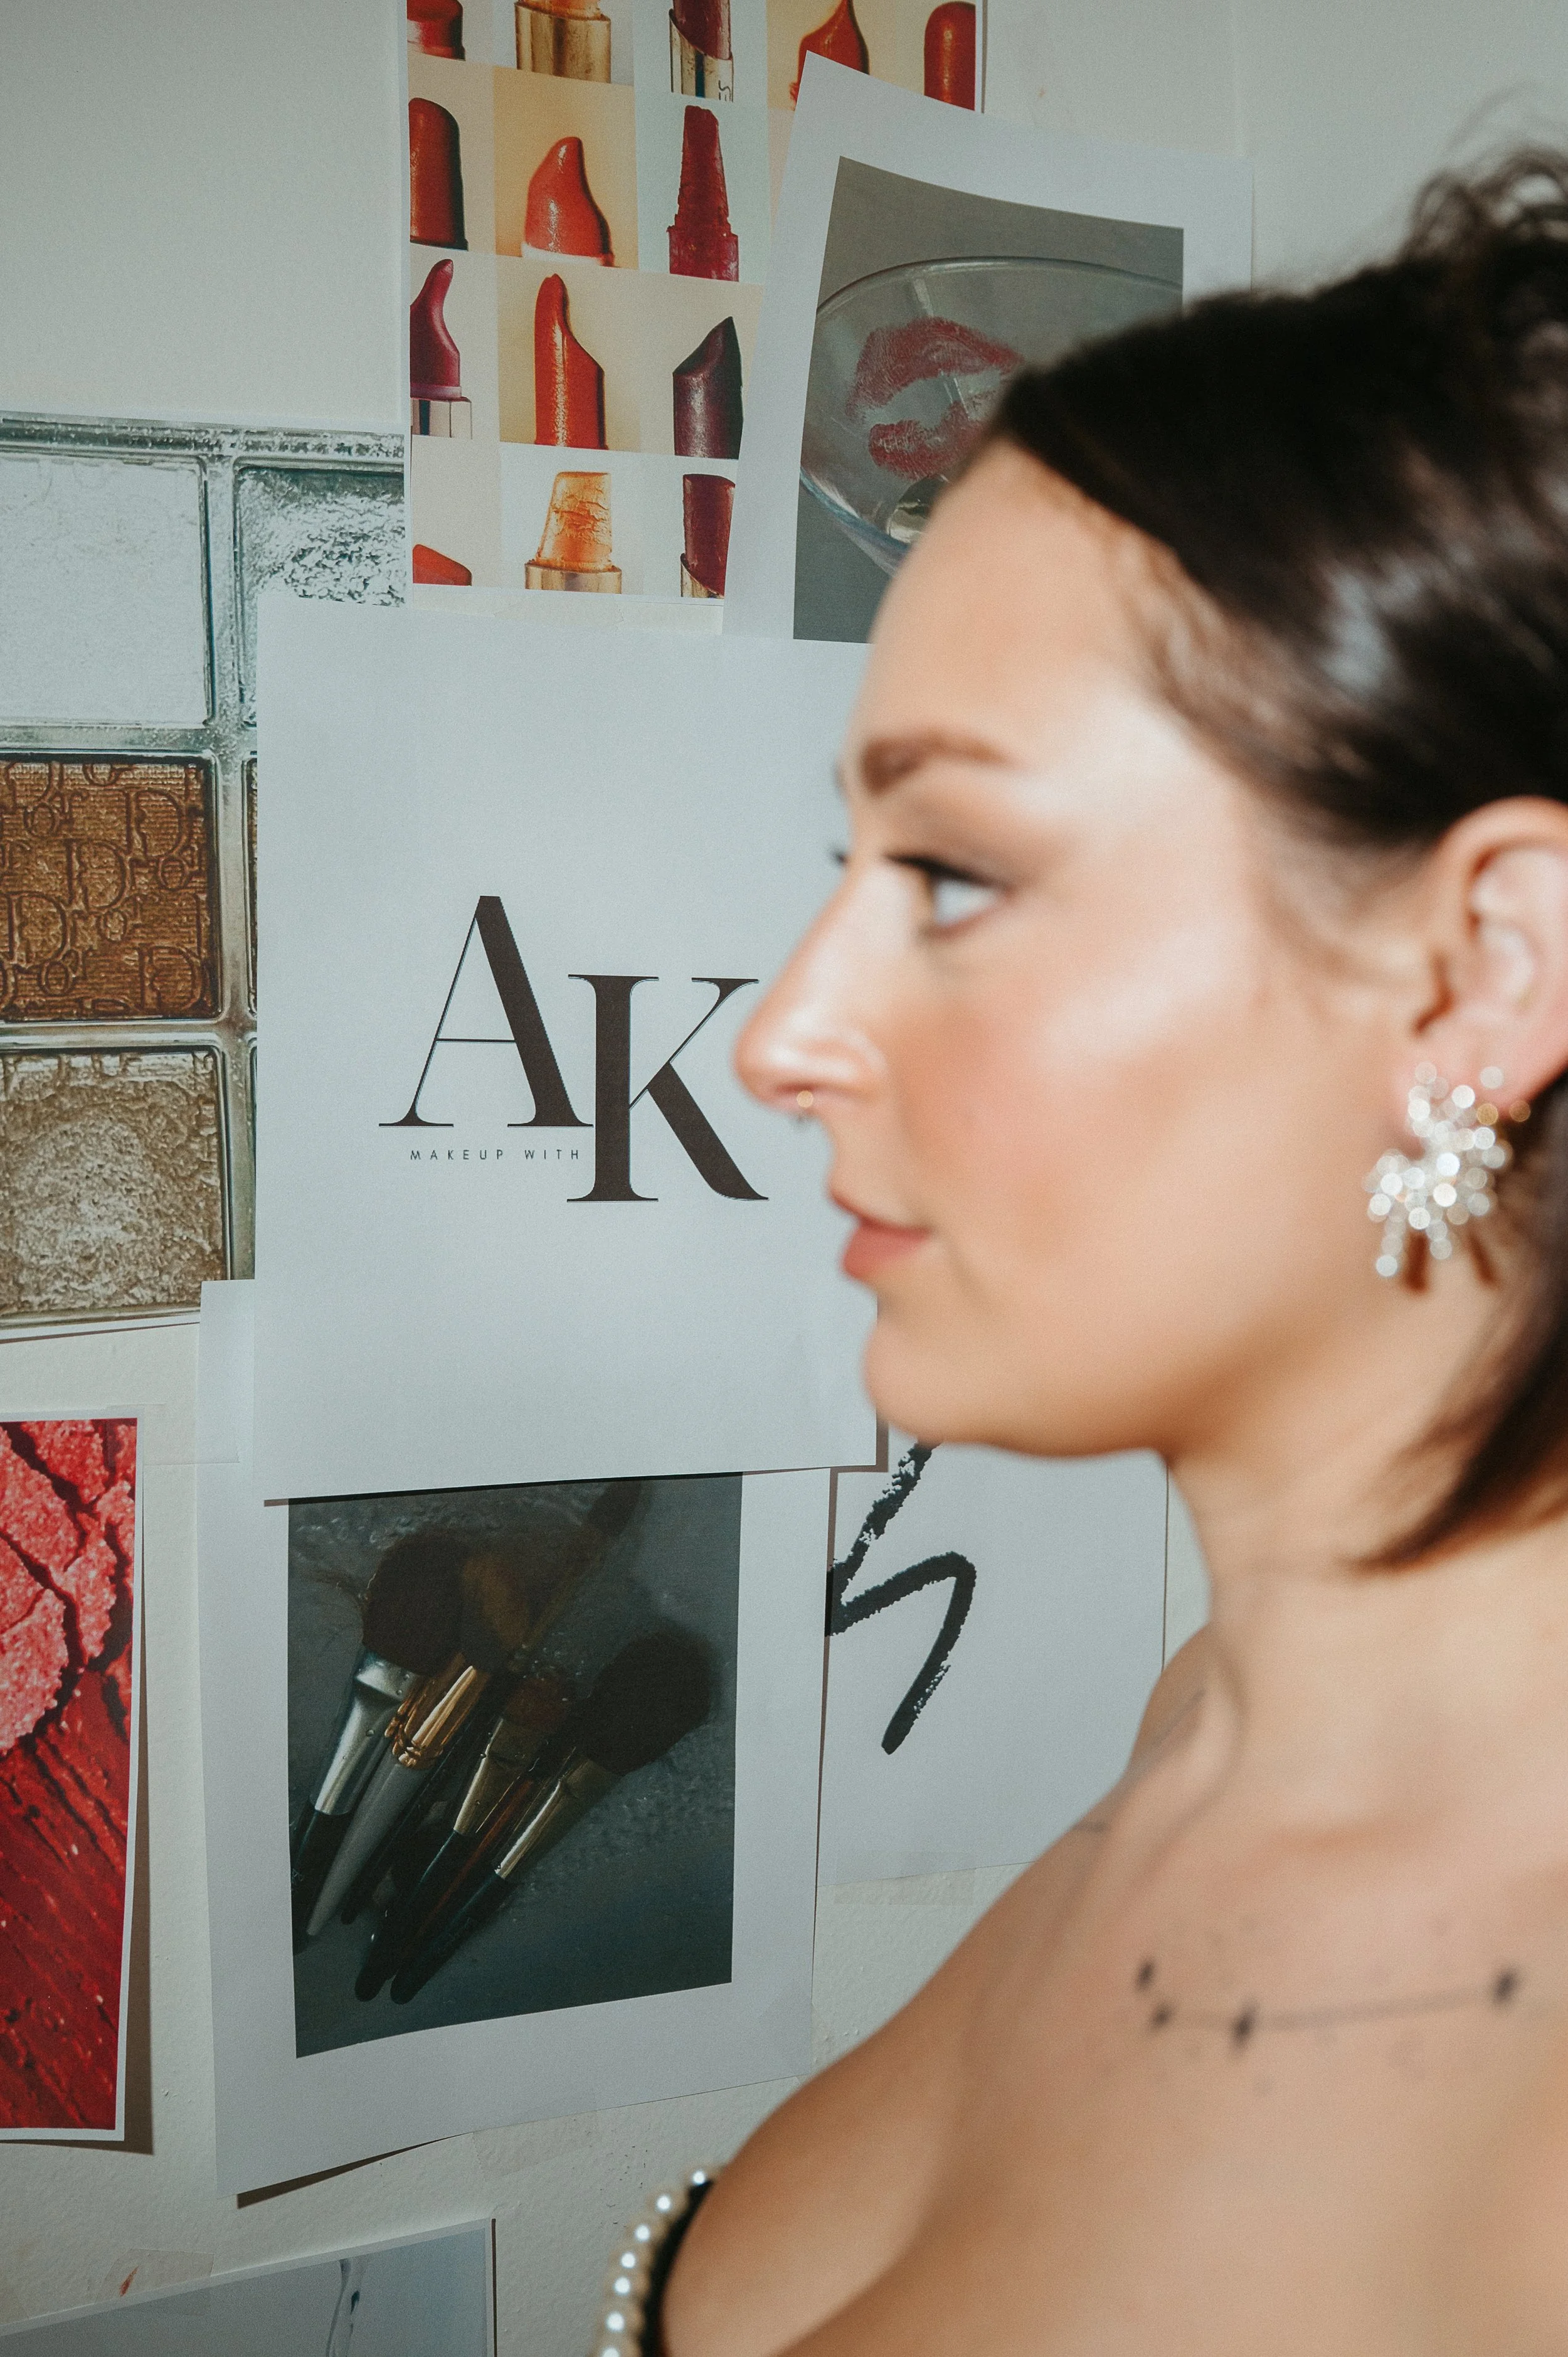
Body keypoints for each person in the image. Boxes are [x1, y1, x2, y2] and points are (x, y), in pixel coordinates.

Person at [663, 155, 1568, 2352]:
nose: (778, 1037)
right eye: (845, 863)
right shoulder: (1217, 1725)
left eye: (955, 870)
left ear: (1478, 974)